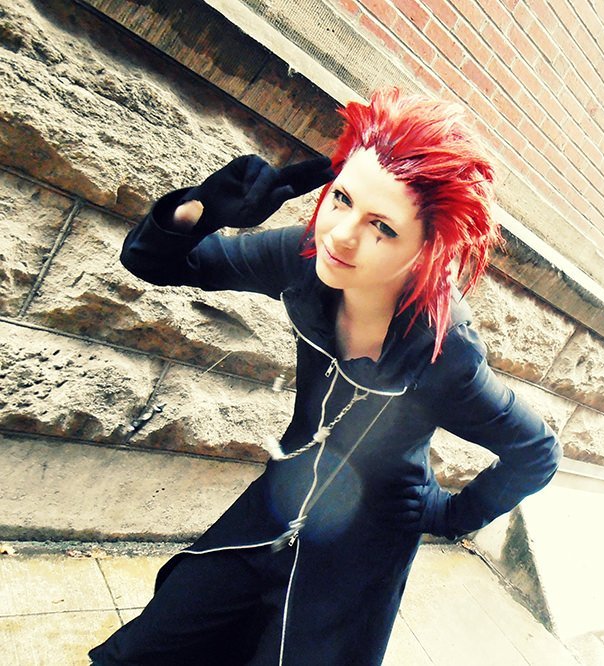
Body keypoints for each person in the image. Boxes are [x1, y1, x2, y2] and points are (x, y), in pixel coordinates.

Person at [89, 88, 561, 665]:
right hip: (277, 501)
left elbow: (536, 451)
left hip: (361, 548)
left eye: (382, 227)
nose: (341, 234)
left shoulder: (445, 354)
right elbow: (156, 262)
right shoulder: (307, 258)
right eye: (342, 198)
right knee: (154, 643)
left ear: (426, 249)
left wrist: (448, 515)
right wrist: (200, 212)